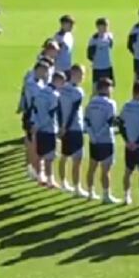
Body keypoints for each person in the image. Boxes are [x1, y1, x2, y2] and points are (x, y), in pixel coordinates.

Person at [82, 77, 118, 203]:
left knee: (92, 167)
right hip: (106, 140)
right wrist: (99, 134)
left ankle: (90, 193)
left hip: (93, 141)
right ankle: (106, 195)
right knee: (106, 169)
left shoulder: (91, 103)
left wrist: (93, 135)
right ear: (106, 88)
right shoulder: (110, 104)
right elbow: (109, 123)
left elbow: (86, 121)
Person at [56, 64, 88, 196]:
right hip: (74, 127)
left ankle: (63, 183)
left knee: (64, 156)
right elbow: (74, 111)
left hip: (64, 127)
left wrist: (60, 126)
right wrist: (66, 127)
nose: (83, 77)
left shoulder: (62, 89)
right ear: (75, 74)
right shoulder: (78, 91)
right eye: (82, 74)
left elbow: (58, 109)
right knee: (78, 158)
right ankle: (77, 187)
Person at [18, 59, 52, 181]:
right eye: (44, 70)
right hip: (32, 117)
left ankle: (32, 169)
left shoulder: (40, 83)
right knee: (34, 144)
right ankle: (37, 171)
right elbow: (35, 102)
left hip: (34, 115)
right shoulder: (32, 85)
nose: (46, 73)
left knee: (31, 144)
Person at [31, 66, 61, 187]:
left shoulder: (40, 92)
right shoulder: (54, 95)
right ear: (58, 81)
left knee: (40, 154)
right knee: (49, 157)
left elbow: (35, 110)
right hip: (49, 129)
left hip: (39, 128)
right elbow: (51, 114)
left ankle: (40, 176)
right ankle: (50, 180)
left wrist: (35, 124)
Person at [87, 17, 115, 88]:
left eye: (107, 25)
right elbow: (89, 55)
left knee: (109, 86)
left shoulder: (109, 36)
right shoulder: (94, 40)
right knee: (96, 88)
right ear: (98, 27)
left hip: (108, 66)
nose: (106, 28)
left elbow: (110, 46)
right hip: (98, 68)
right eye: (104, 26)